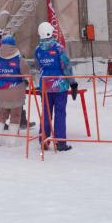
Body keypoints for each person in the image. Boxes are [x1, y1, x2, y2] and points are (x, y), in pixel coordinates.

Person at [35, 22, 77, 152]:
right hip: (59, 85)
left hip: (45, 85)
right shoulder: (59, 48)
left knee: (46, 113)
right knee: (60, 113)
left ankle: (44, 140)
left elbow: (38, 67)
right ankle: (60, 142)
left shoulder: (37, 50)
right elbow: (66, 66)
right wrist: (73, 83)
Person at [0, 36, 29, 147]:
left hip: (2, 92)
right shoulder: (18, 58)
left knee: (2, 114)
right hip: (16, 91)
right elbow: (26, 73)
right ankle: (12, 141)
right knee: (15, 116)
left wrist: (2, 76)